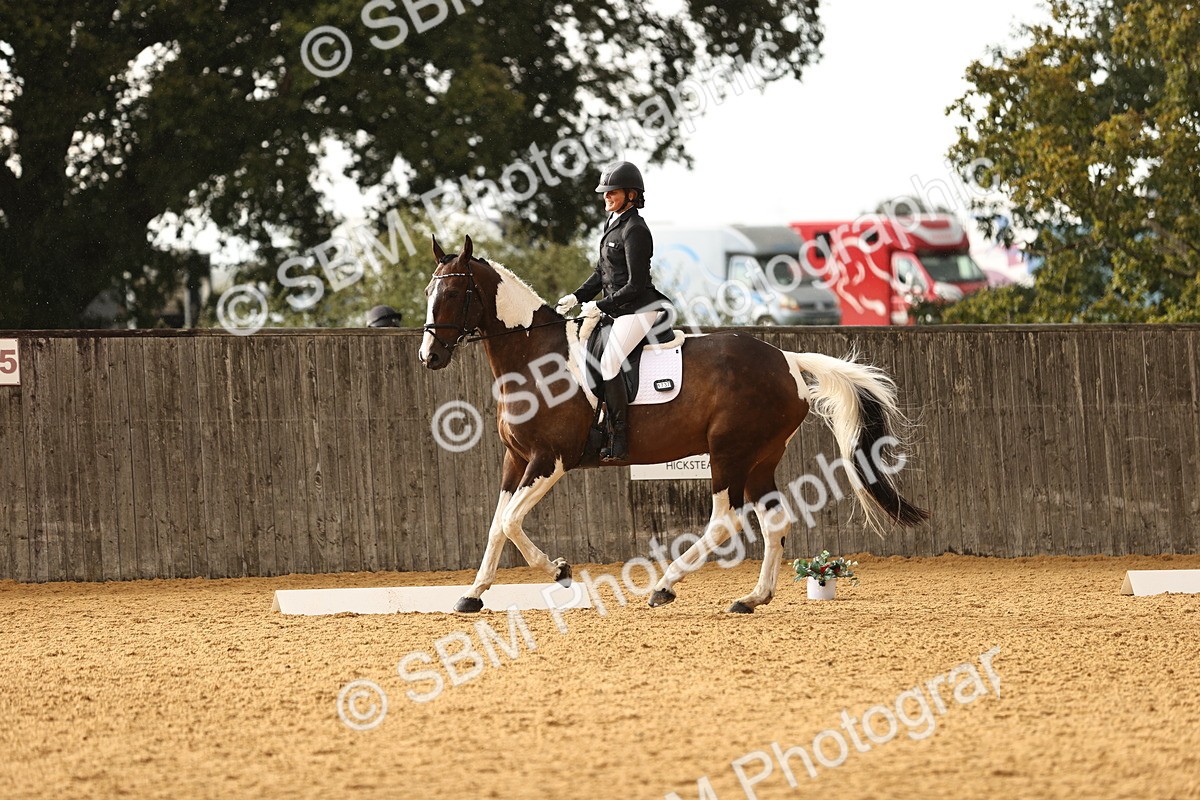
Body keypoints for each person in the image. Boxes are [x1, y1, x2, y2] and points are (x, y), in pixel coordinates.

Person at [555, 161, 672, 463]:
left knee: (609, 362)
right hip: (618, 310)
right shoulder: (613, 224)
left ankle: (619, 437)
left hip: (639, 309)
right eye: (604, 193)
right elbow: (601, 272)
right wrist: (577, 295)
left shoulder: (636, 230)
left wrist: (601, 305)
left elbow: (636, 284)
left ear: (631, 195)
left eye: (612, 192)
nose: (605, 197)